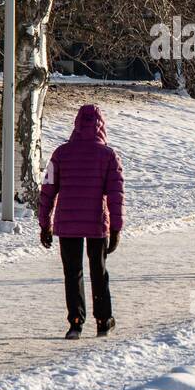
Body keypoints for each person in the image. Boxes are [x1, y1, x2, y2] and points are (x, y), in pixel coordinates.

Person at [38, 104, 125, 339]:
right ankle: (103, 320)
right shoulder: (108, 156)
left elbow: (47, 189)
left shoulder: (61, 154)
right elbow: (116, 196)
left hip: (67, 222)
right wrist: (116, 229)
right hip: (97, 222)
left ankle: (75, 322)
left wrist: (44, 222)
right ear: (101, 125)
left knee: (72, 272)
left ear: (76, 124)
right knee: (99, 270)